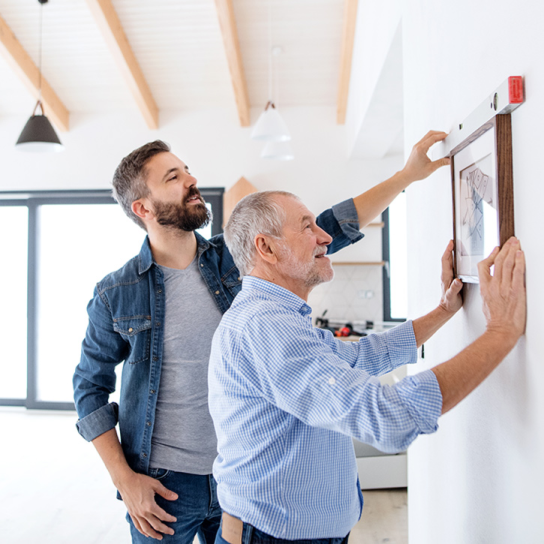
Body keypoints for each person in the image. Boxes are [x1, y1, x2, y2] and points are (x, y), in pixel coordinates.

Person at [73, 132, 450, 543]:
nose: (190, 180)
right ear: (143, 207)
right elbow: (89, 389)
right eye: (173, 177)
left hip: (244, 481)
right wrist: (125, 480)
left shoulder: (233, 259)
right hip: (163, 486)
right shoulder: (116, 293)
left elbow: (329, 227)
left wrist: (407, 175)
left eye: (187, 170)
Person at [208, 190, 526, 544]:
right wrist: (501, 333)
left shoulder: (276, 317)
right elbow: (388, 416)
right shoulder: (266, 326)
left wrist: (444, 311)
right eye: (307, 226)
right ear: (266, 248)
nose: (325, 236)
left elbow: (361, 357)